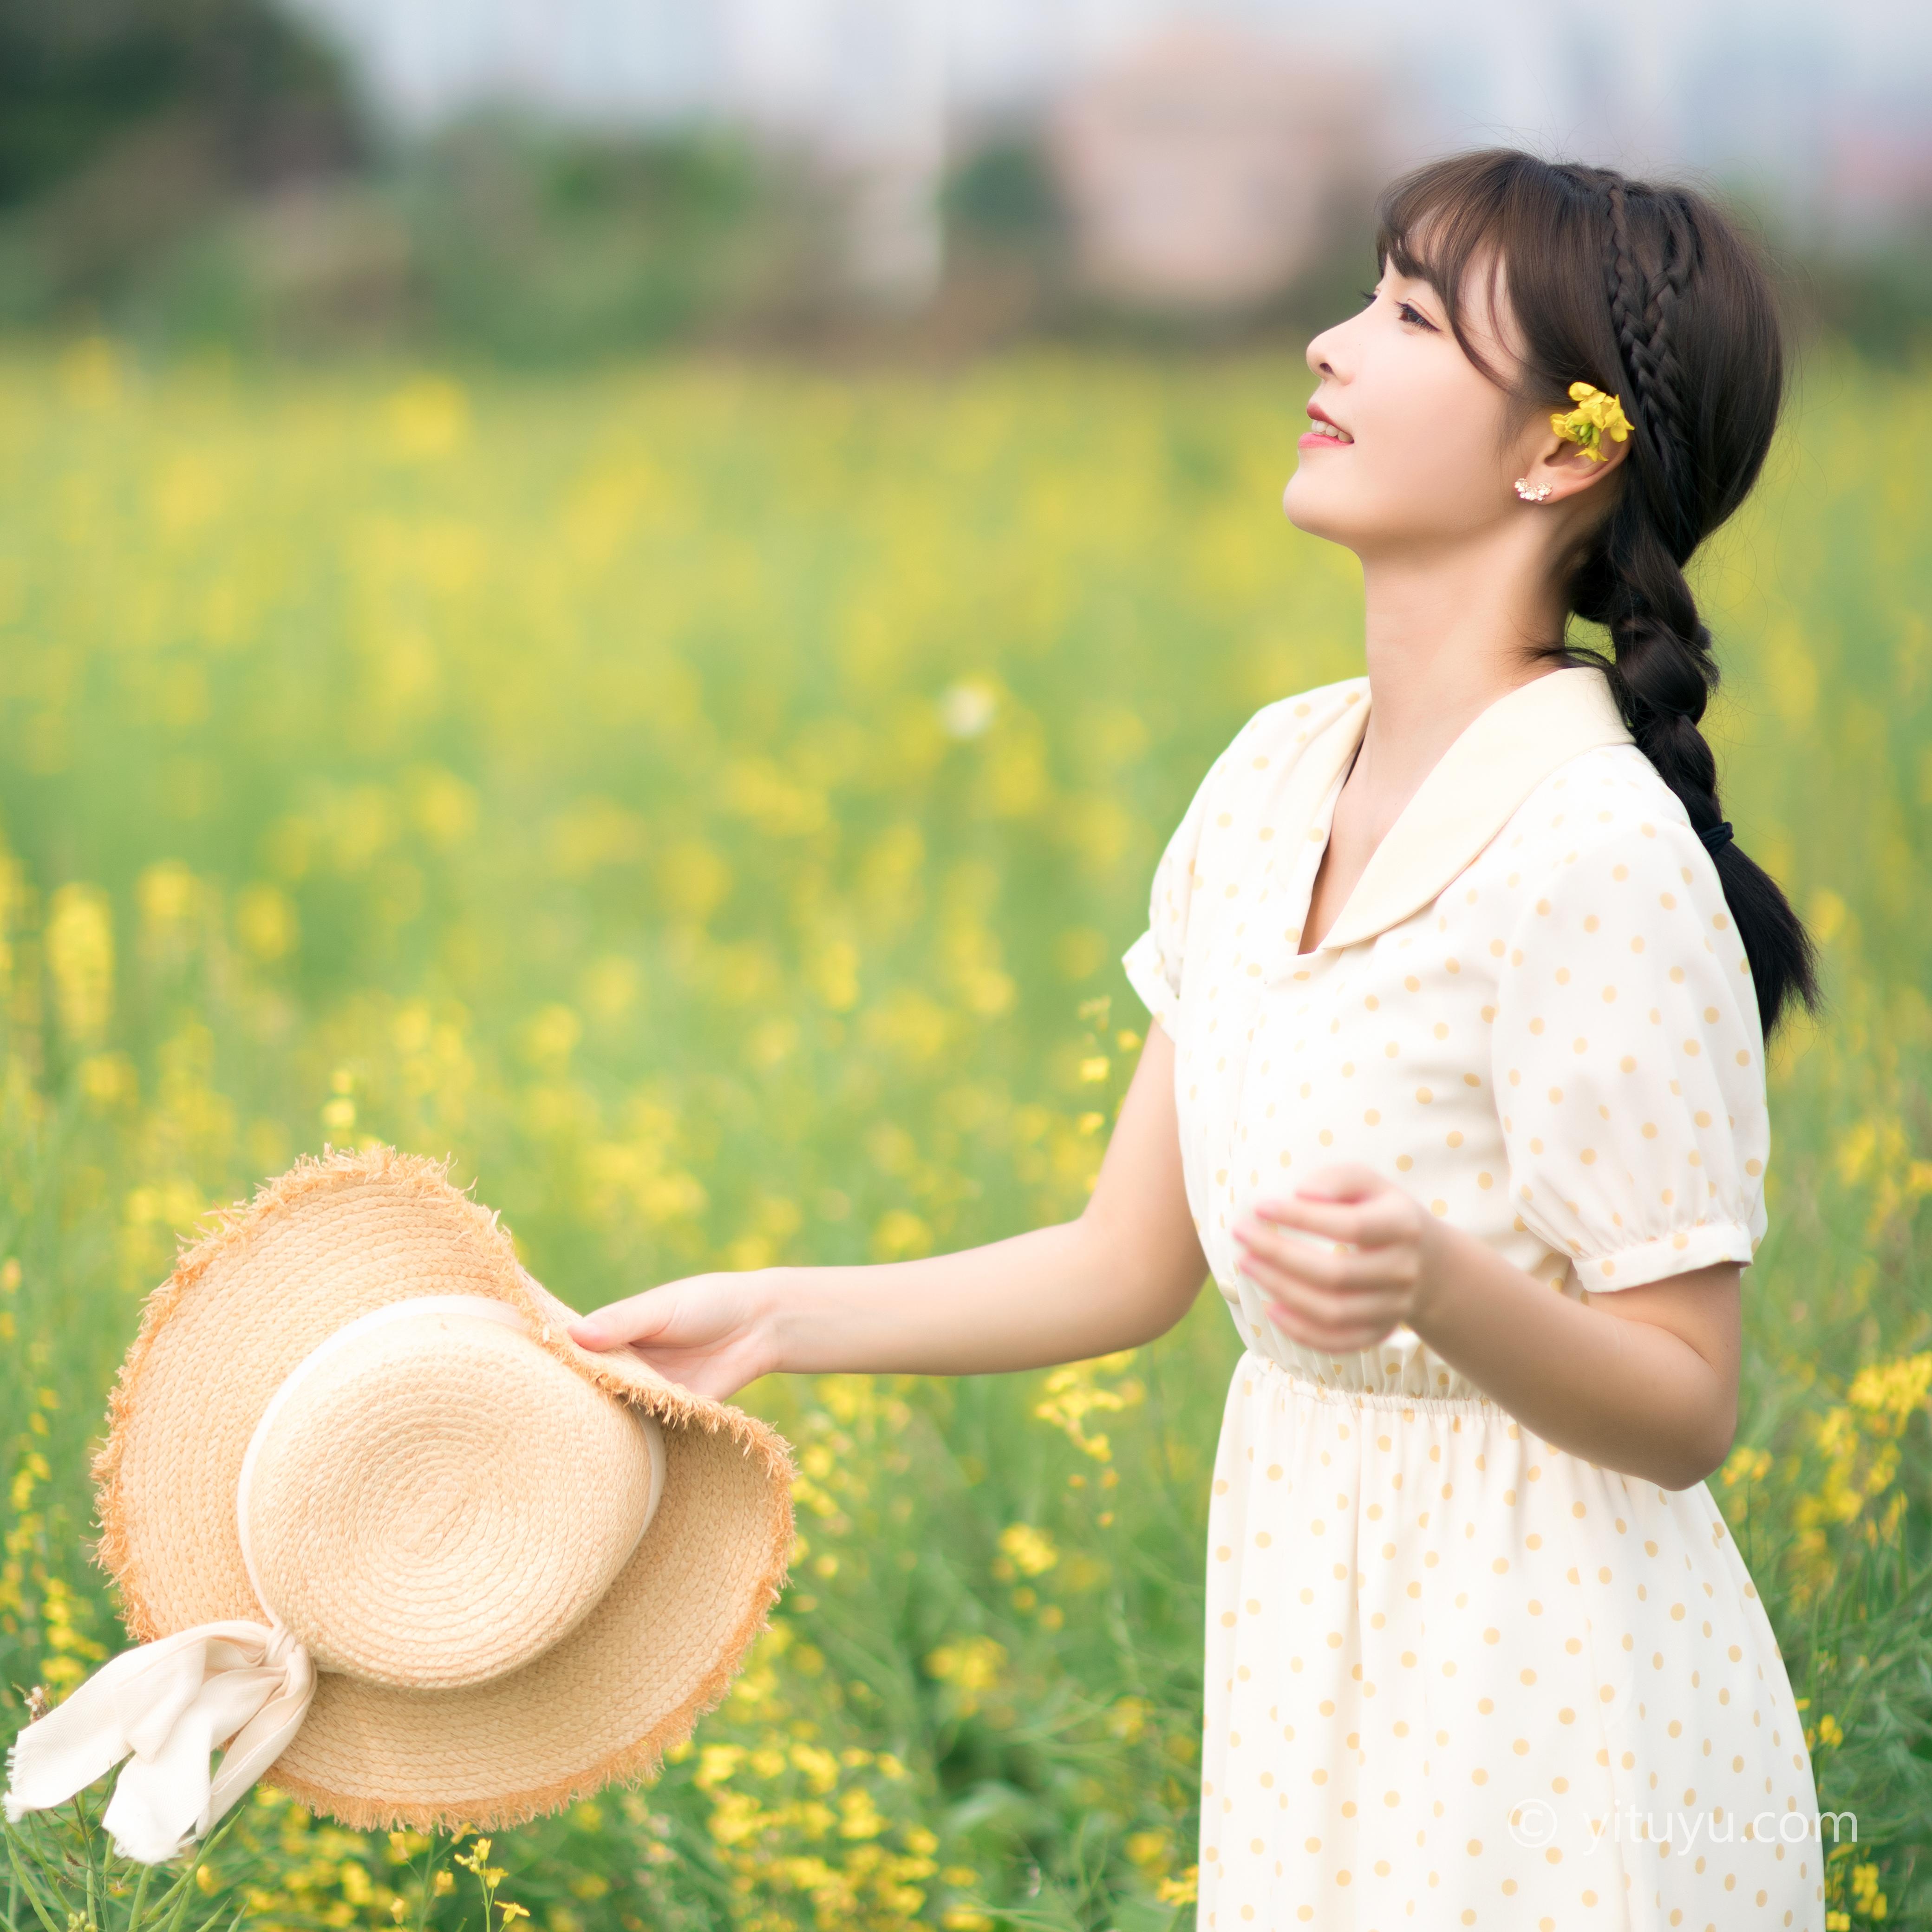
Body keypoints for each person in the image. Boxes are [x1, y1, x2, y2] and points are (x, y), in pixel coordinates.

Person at [569, 148, 1829, 1930]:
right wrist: (766, 1319)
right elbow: (1123, 1263)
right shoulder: (1267, 784)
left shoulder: (1597, 851)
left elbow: (1688, 1400)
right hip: (1318, 1680)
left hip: (1557, 1715)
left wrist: (1438, 1290)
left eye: (1405, 316)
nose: (1327, 346)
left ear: (1564, 450)